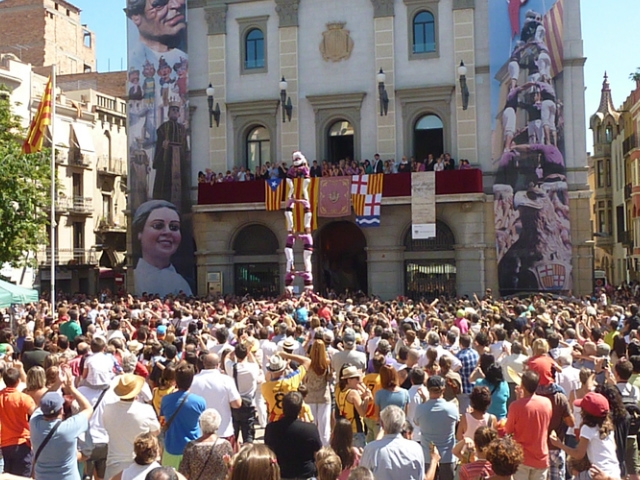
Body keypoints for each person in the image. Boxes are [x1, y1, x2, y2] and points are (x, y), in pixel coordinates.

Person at [29, 366, 93, 480]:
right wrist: (71, 388)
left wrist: (56, 384)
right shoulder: (69, 428)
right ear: (61, 410)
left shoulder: (34, 423)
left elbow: (42, 402)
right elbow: (88, 408)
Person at [102, 373, 161, 480]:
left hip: (114, 464)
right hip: (140, 466)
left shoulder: (107, 409)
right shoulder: (146, 410)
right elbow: (156, 431)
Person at [550, 391, 621, 479]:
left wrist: (559, 444)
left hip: (597, 473)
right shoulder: (608, 427)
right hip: (614, 471)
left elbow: (578, 454)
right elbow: (613, 447)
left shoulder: (587, 428)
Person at [132, 200, 192, 297]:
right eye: (158, 226)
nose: (168, 232)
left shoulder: (183, 283)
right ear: (140, 232)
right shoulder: (132, 279)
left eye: (174, 227)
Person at [504, 371, 552, 480]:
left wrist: (518, 401)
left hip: (522, 458)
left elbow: (508, 429)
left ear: (523, 386)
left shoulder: (515, 406)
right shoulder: (547, 403)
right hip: (541, 457)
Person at [264, 391, 322, 480]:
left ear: (282, 407)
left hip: (281, 474)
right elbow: (318, 450)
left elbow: (268, 451)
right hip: (306, 474)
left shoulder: (271, 428)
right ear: (300, 409)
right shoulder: (310, 429)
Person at [160, 361, 206, 468]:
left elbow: (163, 418)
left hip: (171, 448)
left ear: (176, 380)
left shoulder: (165, 400)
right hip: (193, 448)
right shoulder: (199, 401)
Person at [190, 353, 241, 449]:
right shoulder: (227, 380)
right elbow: (237, 404)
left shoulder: (193, 381)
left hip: (201, 433)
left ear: (204, 364)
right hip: (224, 431)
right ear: (218, 365)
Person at [360, 405, 425, 480]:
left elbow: (362, 477)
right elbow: (420, 476)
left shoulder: (371, 450)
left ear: (382, 424)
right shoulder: (416, 448)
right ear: (403, 425)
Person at [414, 375, 459, 480]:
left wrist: (425, 401)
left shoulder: (420, 409)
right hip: (447, 457)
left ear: (428, 389)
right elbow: (456, 421)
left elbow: (417, 423)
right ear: (443, 389)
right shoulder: (451, 408)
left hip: (427, 457)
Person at [178, 409, 233, 480]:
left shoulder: (191, 447)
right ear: (218, 425)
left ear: (200, 425)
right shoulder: (225, 445)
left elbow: (184, 473)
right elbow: (231, 469)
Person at [0, 367, 36, 476]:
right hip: (22, 443)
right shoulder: (23, 398)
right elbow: (36, 414)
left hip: (5, 443)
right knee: (22, 476)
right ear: (18, 381)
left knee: (8, 475)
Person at [335, 365, 372, 449]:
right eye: (357, 379)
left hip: (345, 430)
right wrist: (366, 398)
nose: (359, 381)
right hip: (356, 431)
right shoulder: (353, 393)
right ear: (349, 380)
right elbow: (362, 413)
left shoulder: (340, 391)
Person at [304, 339, 332, 446]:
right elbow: (329, 378)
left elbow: (304, 378)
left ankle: (311, 448)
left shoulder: (307, 363)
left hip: (309, 396)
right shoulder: (327, 362)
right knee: (324, 428)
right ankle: (325, 450)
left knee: (311, 425)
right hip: (323, 396)